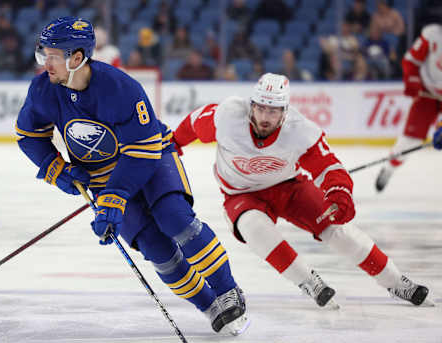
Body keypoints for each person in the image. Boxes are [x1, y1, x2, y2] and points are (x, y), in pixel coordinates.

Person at [15, 16, 249, 336]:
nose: (45, 63)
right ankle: (211, 307)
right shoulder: (43, 90)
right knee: (156, 249)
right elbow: (29, 136)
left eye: (53, 55)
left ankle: (228, 291)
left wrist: (116, 194)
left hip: (150, 160)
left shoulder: (121, 88)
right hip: (101, 179)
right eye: (43, 53)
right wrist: (58, 171)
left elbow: (142, 151)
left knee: (175, 219)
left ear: (77, 58)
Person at [172, 73, 433, 308]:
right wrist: (170, 146)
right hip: (241, 194)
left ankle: (396, 282)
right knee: (254, 228)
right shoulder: (227, 116)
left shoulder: (300, 130)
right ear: (251, 105)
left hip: (289, 187)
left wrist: (339, 192)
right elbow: (191, 127)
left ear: (285, 111)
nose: (264, 117)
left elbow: (328, 166)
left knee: (337, 229)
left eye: (273, 111)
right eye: (260, 108)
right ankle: (308, 280)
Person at [375, 24, 441, 192]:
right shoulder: (432, 34)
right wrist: (412, 81)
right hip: (428, 93)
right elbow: (410, 60)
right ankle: (389, 169)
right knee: (409, 141)